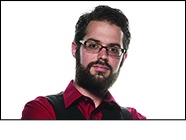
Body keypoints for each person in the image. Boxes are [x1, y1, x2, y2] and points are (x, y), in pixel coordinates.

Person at [21, 5, 146, 119]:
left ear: (123, 59)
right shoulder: (42, 109)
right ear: (75, 49)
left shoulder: (133, 118)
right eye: (93, 46)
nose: (103, 56)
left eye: (113, 49)